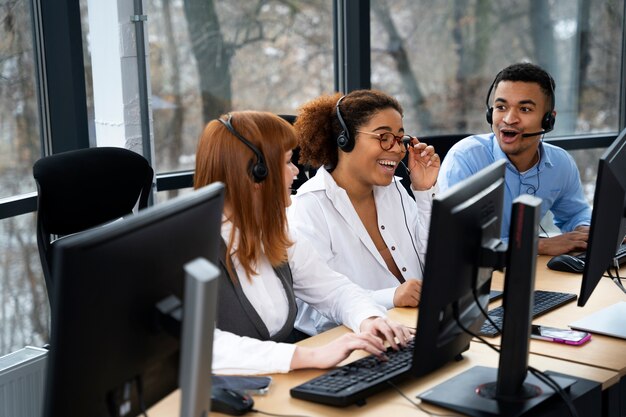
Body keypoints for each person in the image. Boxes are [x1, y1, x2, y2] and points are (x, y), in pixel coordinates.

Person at [194, 110, 412, 375]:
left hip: (277, 385)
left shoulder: (275, 232)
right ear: (256, 174)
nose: (295, 172)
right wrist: (308, 355)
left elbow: (333, 289)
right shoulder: (191, 248)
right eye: (286, 162)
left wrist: (369, 319)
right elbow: (203, 345)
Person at [288, 89, 440, 336]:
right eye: (383, 137)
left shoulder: (395, 191)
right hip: (352, 341)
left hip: (413, 326)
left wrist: (424, 191)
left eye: (400, 139)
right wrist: (392, 297)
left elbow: (436, 263)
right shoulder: (310, 207)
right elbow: (315, 315)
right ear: (344, 140)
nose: (397, 149)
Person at [438, 62, 591, 256]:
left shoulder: (560, 164)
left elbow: (577, 213)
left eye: (525, 109)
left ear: (548, 120)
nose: (509, 119)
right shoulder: (465, 159)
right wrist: (537, 246)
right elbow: (455, 242)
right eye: (501, 107)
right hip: (474, 279)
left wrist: (584, 230)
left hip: (528, 274)